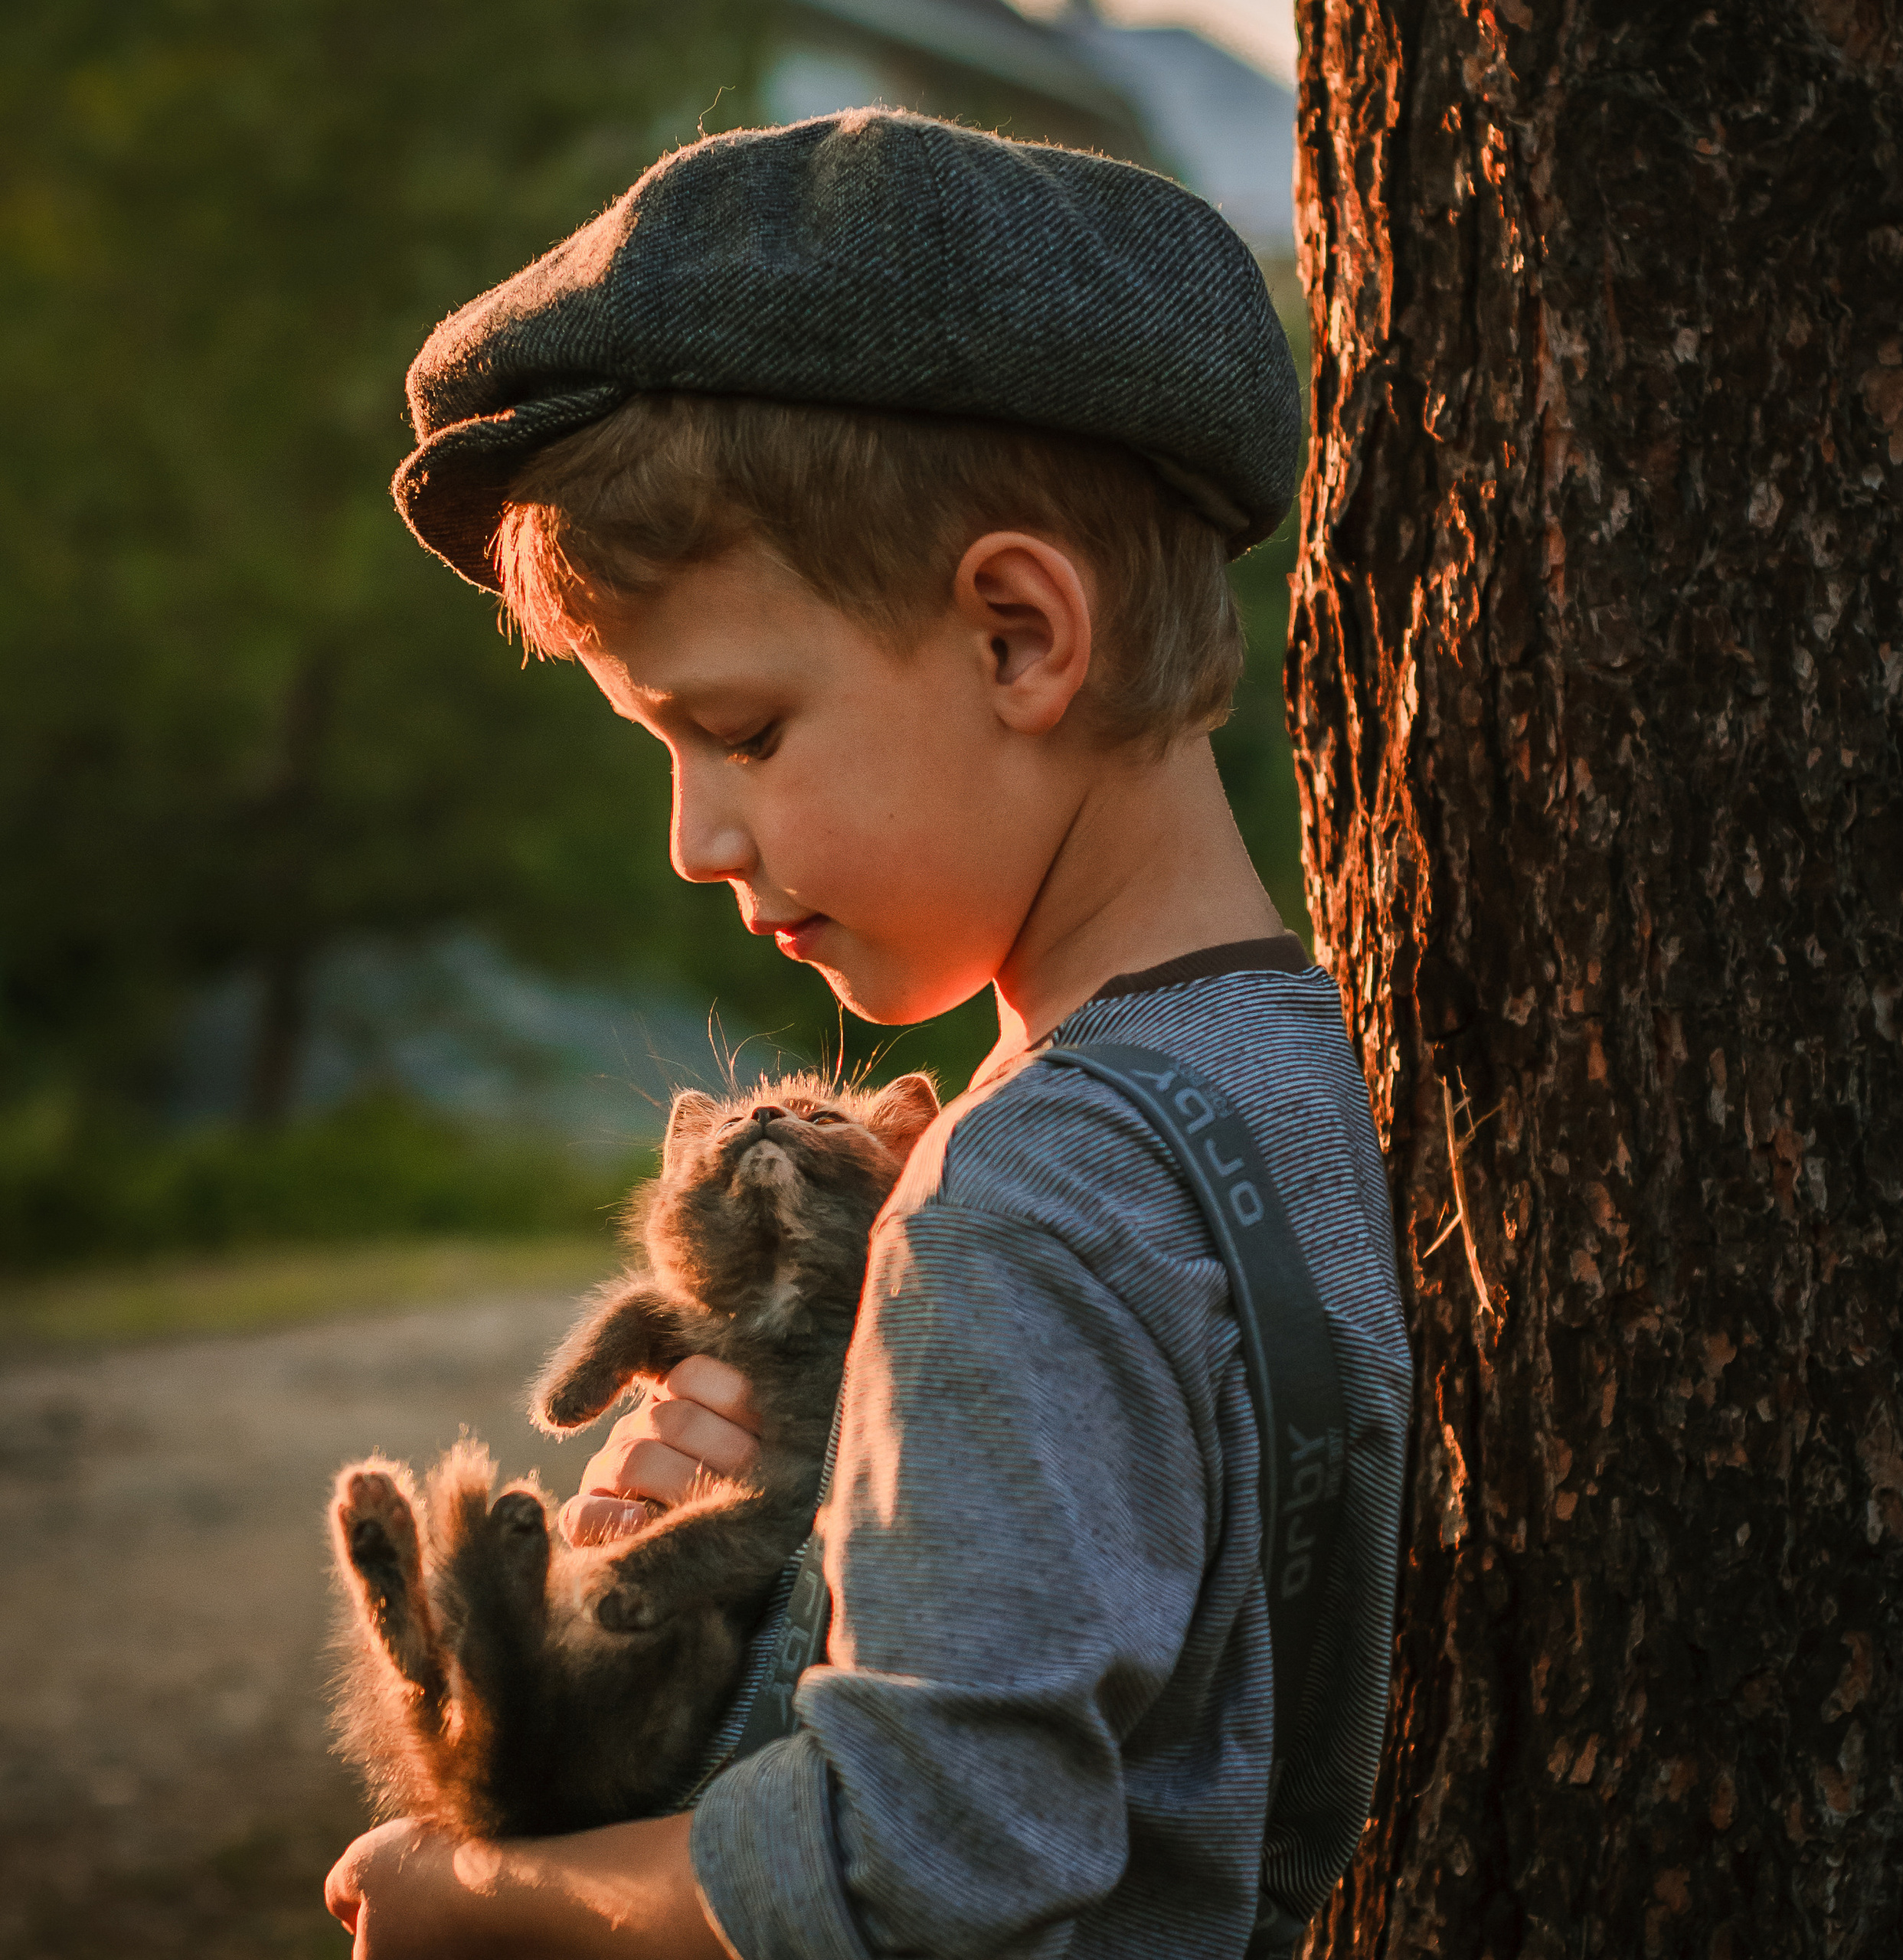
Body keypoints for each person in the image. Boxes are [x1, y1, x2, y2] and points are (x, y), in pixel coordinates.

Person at [325, 109, 1411, 1959]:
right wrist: (813, 1502)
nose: (694, 837)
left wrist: (492, 1897)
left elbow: (923, 1862)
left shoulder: (1025, 1203)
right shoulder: (1298, 1070)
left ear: (1015, 635)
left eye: (738, 731)